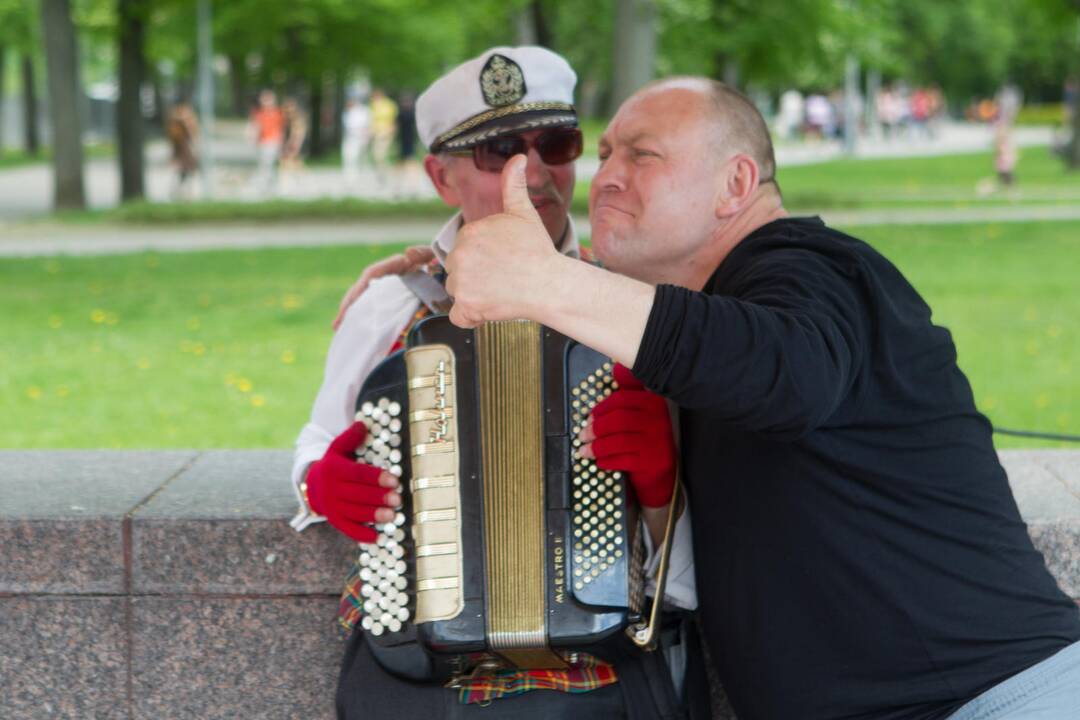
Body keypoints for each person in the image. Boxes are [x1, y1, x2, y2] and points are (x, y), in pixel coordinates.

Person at [425, 76, 1080, 719]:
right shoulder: (712, 315)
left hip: (1003, 697)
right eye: (603, 156)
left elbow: (791, 373)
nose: (609, 177)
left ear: (736, 184)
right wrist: (431, 269)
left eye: (642, 155)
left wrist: (548, 283)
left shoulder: (810, 265)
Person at [291, 48, 703, 720]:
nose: (534, 172)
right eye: (498, 150)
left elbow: (690, 568)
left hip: (602, 675)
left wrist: (661, 490)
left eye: (557, 144)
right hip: (419, 675)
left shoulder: (631, 303)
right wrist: (319, 482)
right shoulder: (394, 306)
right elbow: (318, 437)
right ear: (439, 175)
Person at [248, 89, 285, 196]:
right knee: (265, 165)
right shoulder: (259, 114)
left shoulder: (277, 113)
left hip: (272, 142)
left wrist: (280, 143)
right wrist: (253, 138)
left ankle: (266, 187)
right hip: (262, 142)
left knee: (267, 165)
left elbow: (280, 129)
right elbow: (255, 127)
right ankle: (270, 186)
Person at [165, 102, 199, 199]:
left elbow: (193, 137)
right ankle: (179, 192)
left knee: (185, 175)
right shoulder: (178, 123)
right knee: (182, 174)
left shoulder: (181, 122)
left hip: (185, 153)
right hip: (183, 153)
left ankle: (182, 193)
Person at [341, 95, 371, 192]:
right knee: (349, 159)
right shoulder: (346, 112)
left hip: (361, 139)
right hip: (350, 138)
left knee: (362, 161)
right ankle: (350, 181)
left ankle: (363, 181)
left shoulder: (363, 111)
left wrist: (366, 138)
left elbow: (367, 126)